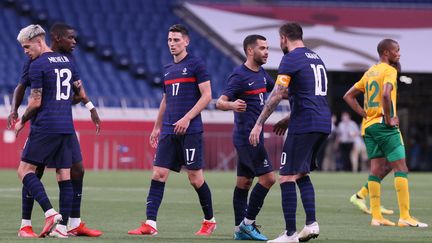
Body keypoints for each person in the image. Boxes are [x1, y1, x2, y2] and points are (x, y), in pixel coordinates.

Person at [8, 23, 102, 238]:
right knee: (64, 174)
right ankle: (60, 228)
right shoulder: (67, 62)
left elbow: (36, 101)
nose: (25, 51)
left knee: (26, 171)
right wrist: (87, 106)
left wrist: (21, 120)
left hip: (45, 125)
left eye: (26, 47)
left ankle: (50, 215)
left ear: (40, 41)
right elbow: (80, 91)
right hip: (66, 126)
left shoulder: (37, 64)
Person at [128, 24, 216, 236]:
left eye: (176, 40)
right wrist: (157, 126)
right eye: (169, 40)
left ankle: (209, 220)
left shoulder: (196, 64)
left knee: (195, 178)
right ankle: (150, 224)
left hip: (191, 129)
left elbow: (207, 96)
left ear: (186, 41)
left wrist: (187, 118)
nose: (172, 44)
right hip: (168, 129)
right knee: (158, 174)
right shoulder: (168, 69)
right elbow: (166, 99)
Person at [249, 22, 331, 242]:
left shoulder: (291, 59)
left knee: (286, 176)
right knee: (302, 173)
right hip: (322, 122)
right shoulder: (316, 57)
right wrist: (288, 118)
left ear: (284, 38)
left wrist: (259, 123)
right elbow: (310, 94)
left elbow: (277, 93)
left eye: (279, 39)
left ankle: (290, 234)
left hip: (304, 124)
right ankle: (311, 224)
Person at [343, 39, 427, 227]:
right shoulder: (389, 71)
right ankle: (405, 217)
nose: (399, 53)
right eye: (396, 50)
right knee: (401, 169)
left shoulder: (370, 72)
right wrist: (389, 118)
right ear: (386, 53)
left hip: (369, 126)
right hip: (384, 124)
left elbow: (348, 96)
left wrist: (363, 113)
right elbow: (386, 94)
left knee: (377, 170)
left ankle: (376, 217)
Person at [216, 34, 276, 241]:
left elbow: (277, 90)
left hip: (254, 135)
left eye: (267, 48)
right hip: (246, 137)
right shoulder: (239, 75)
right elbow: (219, 102)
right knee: (269, 179)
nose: (266, 51)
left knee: (244, 183)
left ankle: (237, 230)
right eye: (262, 48)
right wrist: (232, 105)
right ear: (250, 51)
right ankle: (247, 224)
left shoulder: (262, 74)